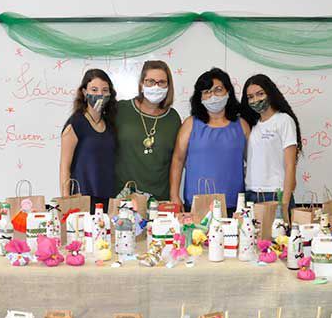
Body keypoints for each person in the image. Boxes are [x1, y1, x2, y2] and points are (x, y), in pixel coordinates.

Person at [170, 68, 249, 213]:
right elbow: (178, 160)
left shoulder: (241, 125)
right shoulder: (190, 124)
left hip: (235, 204)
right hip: (197, 203)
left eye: (218, 90)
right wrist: (174, 195)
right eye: (207, 91)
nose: (213, 95)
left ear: (228, 92)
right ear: (200, 97)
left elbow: (252, 161)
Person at [115, 60, 181, 202]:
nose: (156, 86)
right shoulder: (120, 109)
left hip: (159, 200)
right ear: (141, 84)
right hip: (123, 198)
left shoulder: (173, 118)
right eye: (150, 81)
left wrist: (175, 195)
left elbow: (177, 160)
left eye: (161, 82)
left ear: (168, 86)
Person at [240, 74, 302, 221]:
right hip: (250, 193)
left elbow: (290, 165)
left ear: (270, 93)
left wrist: (284, 204)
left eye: (260, 94)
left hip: (275, 193)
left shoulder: (284, 120)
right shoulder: (252, 124)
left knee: (277, 235)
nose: (255, 100)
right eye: (250, 97)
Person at [59, 69, 117, 210]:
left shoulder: (110, 125)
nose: (100, 94)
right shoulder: (75, 124)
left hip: (109, 199)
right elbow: (64, 168)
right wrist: (66, 203)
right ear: (85, 92)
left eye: (105, 90)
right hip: (82, 200)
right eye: (94, 90)